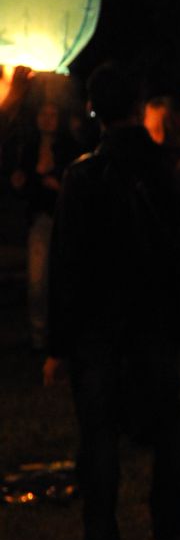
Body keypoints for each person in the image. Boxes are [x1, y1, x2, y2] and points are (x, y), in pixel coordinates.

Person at [44, 63, 180, 540]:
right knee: (168, 426)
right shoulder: (168, 167)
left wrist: (57, 344)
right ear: (136, 107)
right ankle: (172, 533)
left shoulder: (84, 177)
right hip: (153, 317)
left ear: (94, 110)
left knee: (99, 433)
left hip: (98, 325)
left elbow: (66, 265)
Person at [10, 98, 78, 353]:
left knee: (63, 278)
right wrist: (20, 184)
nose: (48, 119)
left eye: (52, 114)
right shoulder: (29, 148)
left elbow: (76, 184)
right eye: (43, 114)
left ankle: (64, 337)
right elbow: (23, 187)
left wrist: (59, 187)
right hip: (40, 219)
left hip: (63, 219)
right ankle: (40, 338)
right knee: (38, 281)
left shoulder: (69, 148)